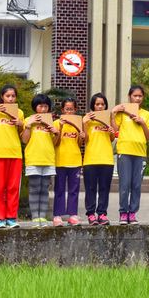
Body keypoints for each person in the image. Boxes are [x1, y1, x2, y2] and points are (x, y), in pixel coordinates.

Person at [111, 85, 149, 224]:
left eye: (140, 96)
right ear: (129, 96)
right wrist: (113, 112)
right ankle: (123, 212)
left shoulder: (146, 114)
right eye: (135, 95)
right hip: (124, 151)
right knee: (124, 184)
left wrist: (142, 123)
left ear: (143, 98)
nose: (137, 98)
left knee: (136, 185)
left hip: (140, 153)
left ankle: (132, 213)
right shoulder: (122, 112)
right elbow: (115, 129)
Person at [0, 84, 26, 229]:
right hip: (0, 152)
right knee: (0, 187)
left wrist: (20, 123)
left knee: (13, 187)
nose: (10, 98)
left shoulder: (19, 112)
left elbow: (23, 136)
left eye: (13, 96)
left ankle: (11, 217)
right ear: (2, 97)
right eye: (7, 96)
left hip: (15, 153)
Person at [21, 93, 60, 227]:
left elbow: (55, 143)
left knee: (44, 188)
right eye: (40, 106)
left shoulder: (52, 122)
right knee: (34, 188)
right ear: (35, 107)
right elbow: (25, 140)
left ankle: (42, 217)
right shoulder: (28, 120)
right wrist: (28, 125)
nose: (43, 109)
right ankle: (35, 217)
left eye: (45, 106)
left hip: (48, 159)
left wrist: (56, 133)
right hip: (33, 158)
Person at [82, 93, 117, 225]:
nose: (100, 106)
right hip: (90, 159)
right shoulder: (87, 119)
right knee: (90, 188)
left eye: (102, 104)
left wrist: (112, 123)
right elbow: (84, 140)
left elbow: (112, 138)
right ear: (93, 105)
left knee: (104, 188)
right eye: (97, 104)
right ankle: (91, 214)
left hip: (106, 159)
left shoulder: (108, 119)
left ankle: (102, 213)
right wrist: (85, 124)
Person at [53, 98, 85, 227]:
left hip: (75, 160)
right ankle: (57, 216)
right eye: (67, 109)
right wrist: (60, 128)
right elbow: (55, 143)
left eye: (71, 109)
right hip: (60, 160)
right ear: (62, 110)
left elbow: (79, 143)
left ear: (75, 110)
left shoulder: (78, 123)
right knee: (59, 189)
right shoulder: (56, 123)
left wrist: (82, 137)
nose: (69, 112)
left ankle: (73, 215)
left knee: (74, 189)